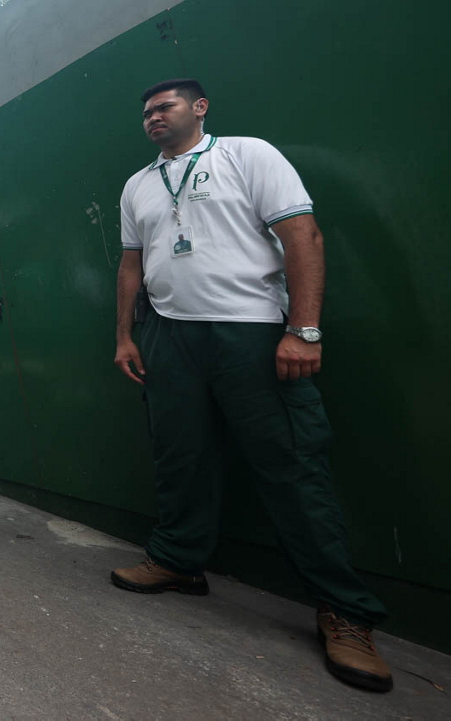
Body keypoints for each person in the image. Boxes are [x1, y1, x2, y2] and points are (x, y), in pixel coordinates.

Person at [112, 79, 391, 692]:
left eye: (166, 107)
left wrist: (305, 330)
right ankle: (180, 562)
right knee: (178, 455)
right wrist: (126, 337)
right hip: (169, 337)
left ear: (199, 107)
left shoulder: (247, 154)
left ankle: (344, 611)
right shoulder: (137, 185)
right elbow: (131, 266)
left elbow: (302, 238)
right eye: (147, 112)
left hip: (254, 334)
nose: (154, 118)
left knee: (292, 465)